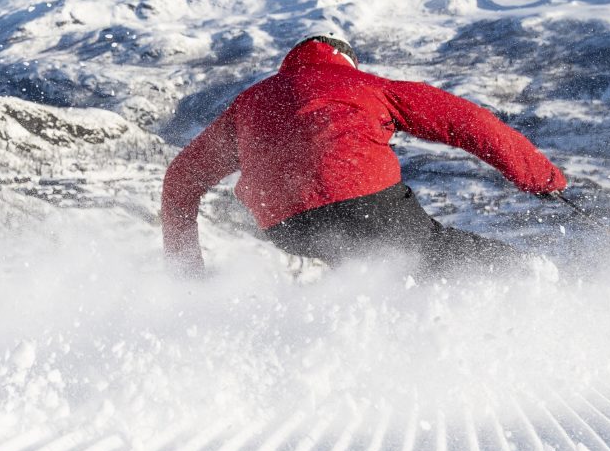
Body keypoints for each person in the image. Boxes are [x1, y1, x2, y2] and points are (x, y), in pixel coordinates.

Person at [160, 34, 567, 274]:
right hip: (364, 204)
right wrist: (541, 178)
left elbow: (180, 179)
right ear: (347, 61)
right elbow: (470, 123)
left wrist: (186, 269)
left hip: (284, 225)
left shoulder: (247, 103)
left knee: (365, 267)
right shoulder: (367, 85)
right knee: (438, 253)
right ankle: (535, 284)